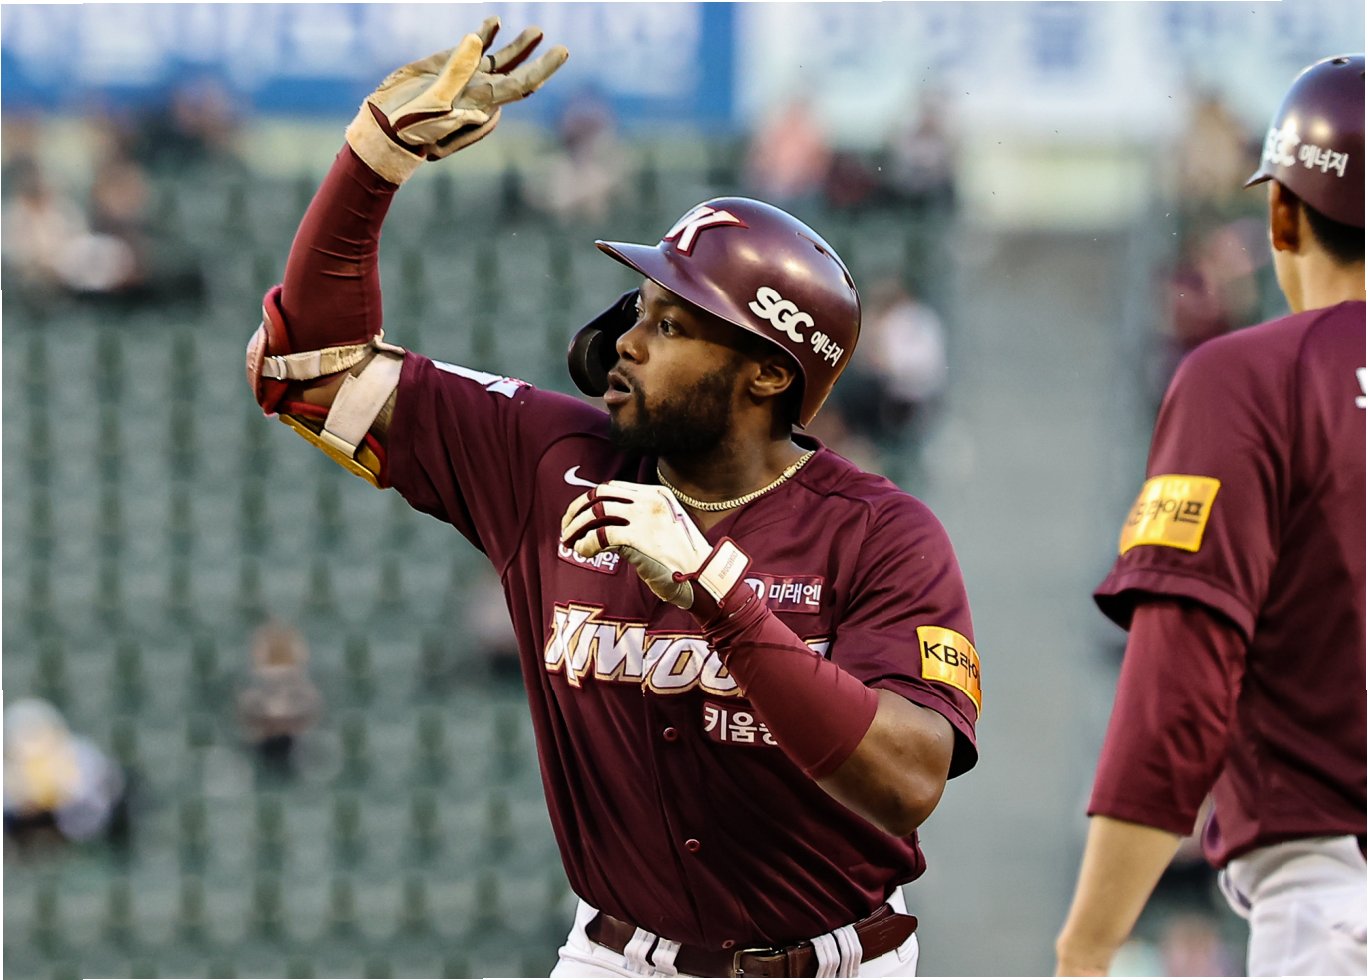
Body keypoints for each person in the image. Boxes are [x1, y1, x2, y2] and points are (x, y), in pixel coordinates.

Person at [245, 17, 982, 978]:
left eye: (673, 324)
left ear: (768, 374)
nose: (629, 340)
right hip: (617, 956)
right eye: (641, 309)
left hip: (833, 962)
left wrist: (718, 597)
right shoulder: (551, 458)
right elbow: (307, 368)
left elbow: (909, 779)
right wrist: (371, 164)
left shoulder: (882, 534)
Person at [1055, 54, 1365, 977]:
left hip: (1338, 901)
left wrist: (1087, 947)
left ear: (1282, 216)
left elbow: (1178, 694)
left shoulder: (1250, 377)